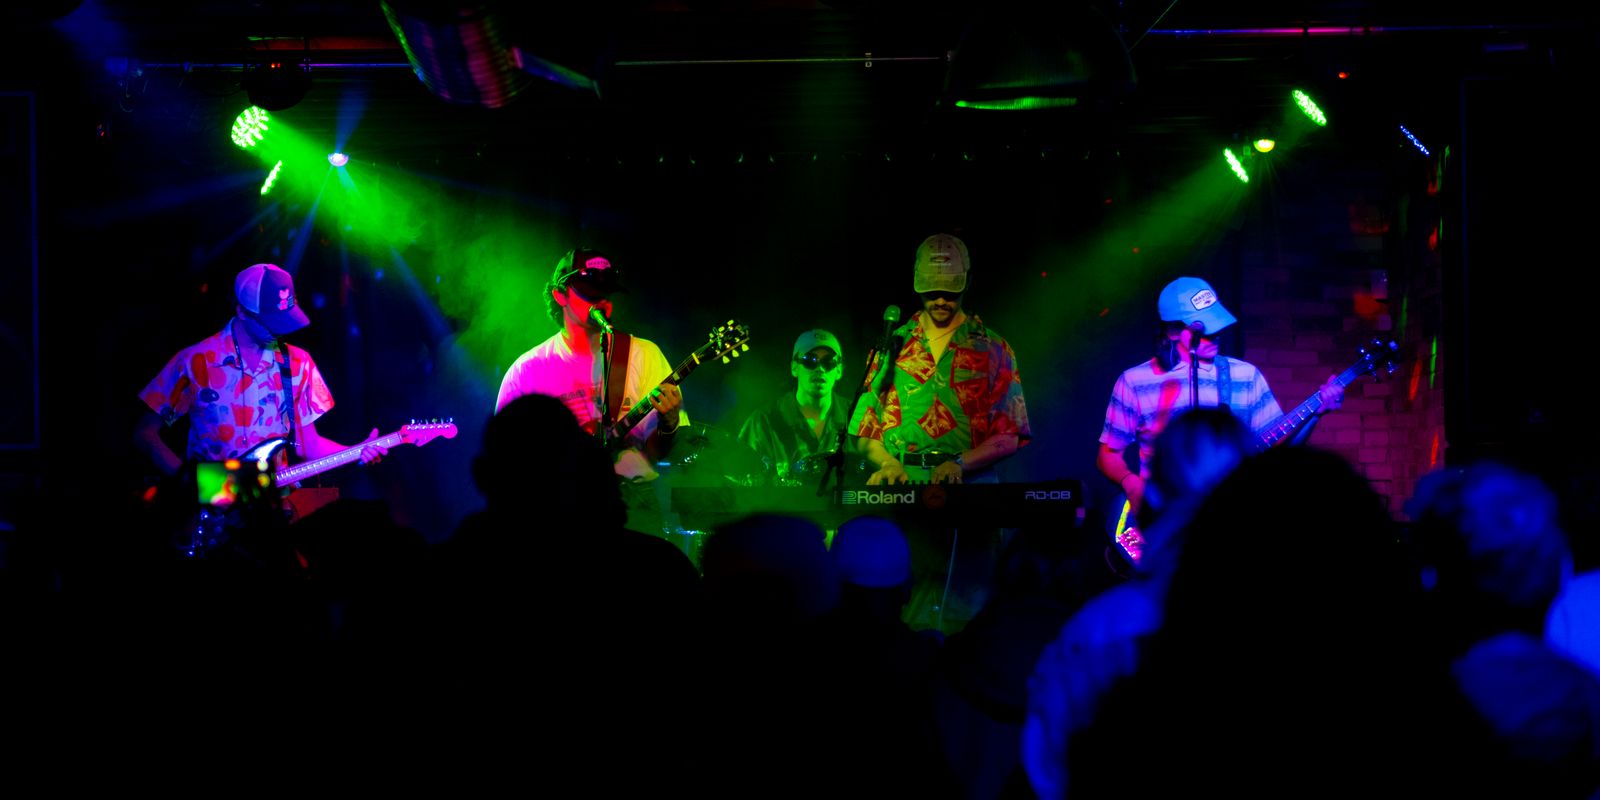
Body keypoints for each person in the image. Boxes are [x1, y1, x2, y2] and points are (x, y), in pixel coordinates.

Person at [851, 232, 1031, 634]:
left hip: (972, 493)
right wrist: (886, 462)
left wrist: (960, 463)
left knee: (970, 616)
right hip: (905, 493)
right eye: (932, 292)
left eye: (950, 292)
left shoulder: (993, 348)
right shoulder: (892, 346)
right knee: (900, 612)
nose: (941, 301)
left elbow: (1010, 435)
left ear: (966, 284)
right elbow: (862, 429)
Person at [134, 262, 388, 545]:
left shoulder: (298, 363)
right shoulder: (196, 361)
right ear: (242, 311)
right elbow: (145, 433)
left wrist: (357, 451)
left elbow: (308, 446)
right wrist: (189, 484)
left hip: (272, 519)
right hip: (209, 518)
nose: (279, 331)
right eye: (271, 321)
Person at [1096, 275, 1344, 547]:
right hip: (1163, 524)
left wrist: (1316, 413)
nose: (1214, 336)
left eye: (1217, 326)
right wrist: (1130, 482)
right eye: (1205, 329)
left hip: (1229, 523)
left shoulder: (1245, 376)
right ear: (1173, 331)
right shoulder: (1134, 382)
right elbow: (1108, 456)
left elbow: (1278, 451)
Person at [494, 247, 685, 484]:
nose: (602, 301)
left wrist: (669, 425)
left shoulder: (644, 354)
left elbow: (659, 455)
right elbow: (503, 455)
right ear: (560, 295)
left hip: (637, 500)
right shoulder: (527, 371)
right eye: (590, 292)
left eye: (607, 292)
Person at [737, 328, 852, 486]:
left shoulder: (857, 416)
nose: (820, 368)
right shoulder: (763, 420)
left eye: (828, 362)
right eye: (810, 360)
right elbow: (740, 477)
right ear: (794, 367)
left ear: (839, 370)